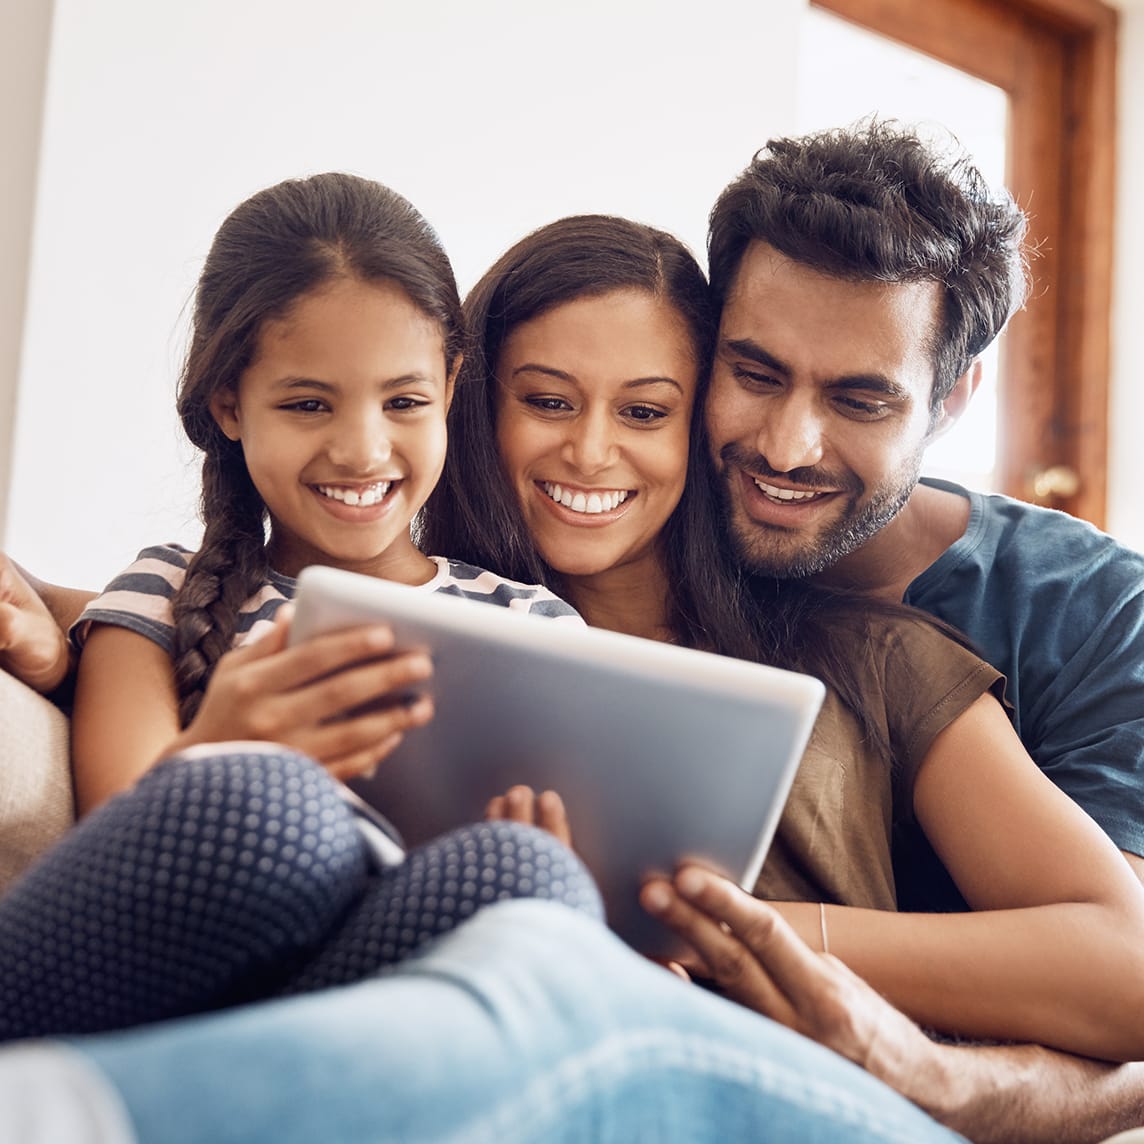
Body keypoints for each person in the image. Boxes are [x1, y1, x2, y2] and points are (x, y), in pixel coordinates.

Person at [421, 210, 1144, 1064]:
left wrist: (720, 929)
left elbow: (1126, 969)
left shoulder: (878, 660)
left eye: (646, 409)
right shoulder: (428, 644)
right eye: (545, 401)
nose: (590, 450)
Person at [0, 173, 602, 1044]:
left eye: (404, 402)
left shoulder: (528, 622)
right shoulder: (163, 596)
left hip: (369, 1012)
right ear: (229, 405)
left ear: (452, 384)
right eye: (308, 403)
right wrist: (222, 748)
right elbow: (116, 856)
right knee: (276, 806)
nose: (362, 448)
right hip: (178, 980)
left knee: (524, 874)